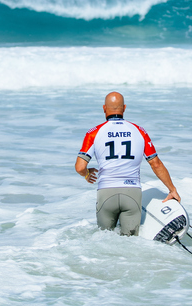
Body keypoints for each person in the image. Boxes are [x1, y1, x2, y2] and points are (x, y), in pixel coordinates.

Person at [75, 91, 180, 236]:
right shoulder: (139, 131)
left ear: (104, 108)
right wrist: (172, 189)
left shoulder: (94, 133)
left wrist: (87, 174)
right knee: (129, 245)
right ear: (124, 108)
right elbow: (156, 164)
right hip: (132, 193)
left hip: (106, 193)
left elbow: (80, 167)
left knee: (104, 242)